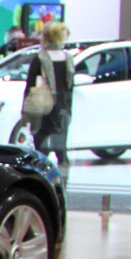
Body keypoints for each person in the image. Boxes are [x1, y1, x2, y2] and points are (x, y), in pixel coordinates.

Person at [24, 20, 75, 174]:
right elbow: (70, 86)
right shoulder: (68, 58)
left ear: (45, 37)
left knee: (41, 150)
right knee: (61, 150)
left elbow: (30, 86)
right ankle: (63, 181)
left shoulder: (40, 59)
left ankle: (42, 180)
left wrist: (25, 112)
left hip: (42, 109)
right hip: (62, 109)